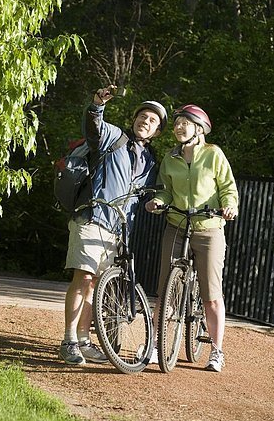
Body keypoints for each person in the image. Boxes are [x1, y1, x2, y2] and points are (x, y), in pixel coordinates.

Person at [58, 86, 167, 366]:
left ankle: (84, 339)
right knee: (82, 278)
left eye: (152, 120)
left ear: (157, 132)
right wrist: (97, 104)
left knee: (95, 284)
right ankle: (69, 340)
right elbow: (93, 127)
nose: (146, 121)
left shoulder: (151, 161)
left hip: (117, 229)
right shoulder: (115, 137)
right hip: (92, 216)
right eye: (143, 116)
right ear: (134, 120)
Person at [145, 104, 238, 372]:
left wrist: (229, 206)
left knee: (211, 294)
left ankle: (217, 351)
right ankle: (154, 346)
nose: (178, 127)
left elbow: (228, 188)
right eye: (176, 123)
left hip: (209, 228)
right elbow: (165, 191)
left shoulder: (213, 155)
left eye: (184, 123)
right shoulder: (169, 158)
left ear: (199, 129)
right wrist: (157, 202)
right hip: (176, 224)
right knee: (165, 291)